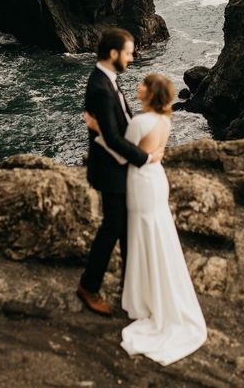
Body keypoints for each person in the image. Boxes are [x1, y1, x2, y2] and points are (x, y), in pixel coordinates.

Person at [88, 72, 208, 366]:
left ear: (151, 93)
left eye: (143, 84)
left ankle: (144, 298)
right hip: (157, 180)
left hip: (140, 182)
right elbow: (150, 152)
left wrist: (98, 131)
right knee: (157, 233)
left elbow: (121, 154)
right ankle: (155, 292)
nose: (138, 87)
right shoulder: (165, 120)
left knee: (142, 235)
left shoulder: (141, 122)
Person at [77, 28, 164, 317]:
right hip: (110, 171)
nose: (132, 57)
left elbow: (119, 126)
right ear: (113, 54)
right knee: (112, 227)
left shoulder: (108, 80)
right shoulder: (101, 87)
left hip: (118, 168)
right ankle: (89, 287)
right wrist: (146, 157)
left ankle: (132, 290)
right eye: (128, 52)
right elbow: (114, 138)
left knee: (126, 230)